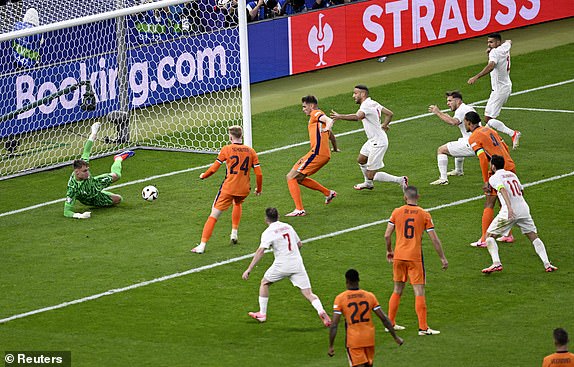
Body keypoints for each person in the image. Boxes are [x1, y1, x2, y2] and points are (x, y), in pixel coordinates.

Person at [242, 207, 332, 326]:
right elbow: (299, 244)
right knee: (309, 293)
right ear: (278, 216)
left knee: (264, 283)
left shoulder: (268, 232)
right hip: (297, 263)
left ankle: (262, 314)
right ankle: (321, 311)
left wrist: (249, 269)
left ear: (266, 219)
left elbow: (261, 251)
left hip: (282, 265)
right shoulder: (288, 227)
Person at [385, 186, 448, 335]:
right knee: (419, 291)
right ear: (418, 196)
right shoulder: (424, 214)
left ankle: (390, 323)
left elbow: (387, 235)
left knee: (397, 290)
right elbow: (434, 239)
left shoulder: (396, 212)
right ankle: (423, 328)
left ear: (405, 197)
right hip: (414, 257)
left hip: (399, 256)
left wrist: (389, 251)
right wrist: (442, 258)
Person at [480, 155, 557, 274]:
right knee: (533, 236)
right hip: (524, 209)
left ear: (493, 166)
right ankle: (547, 264)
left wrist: (510, 208)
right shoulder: (512, 175)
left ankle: (496, 263)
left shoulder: (494, 178)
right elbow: (521, 190)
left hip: (509, 211)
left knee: (489, 237)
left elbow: (502, 189)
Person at [191, 125, 262, 254]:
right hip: (244, 189)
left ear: (230, 137)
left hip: (229, 188)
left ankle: (202, 245)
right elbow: (259, 174)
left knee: (213, 215)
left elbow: (213, 169)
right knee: (238, 203)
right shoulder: (251, 151)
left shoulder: (226, 149)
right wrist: (259, 189)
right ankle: (234, 233)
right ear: (242, 136)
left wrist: (204, 175)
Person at [330, 85, 408, 191]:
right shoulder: (373, 102)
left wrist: (340, 116)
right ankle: (368, 184)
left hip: (378, 143)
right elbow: (389, 114)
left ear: (362, 94)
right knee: (361, 160)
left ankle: (400, 180)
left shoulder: (366, 106)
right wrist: (384, 125)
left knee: (371, 174)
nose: (353, 96)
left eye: (355, 93)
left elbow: (358, 117)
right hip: (373, 140)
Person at [328, 269, 404, 366]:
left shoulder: (340, 298)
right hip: (369, 339)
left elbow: (334, 325)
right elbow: (384, 318)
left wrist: (331, 346)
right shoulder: (369, 296)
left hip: (354, 341)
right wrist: (396, 337)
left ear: (346, 281)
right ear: (359, 280)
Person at [465, 111, 516, 246]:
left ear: (469, 123)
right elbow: (504, 146)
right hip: (509, 165)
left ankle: (483, 239)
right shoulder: (489, 130)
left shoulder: (474, 137)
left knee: (489, 203)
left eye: (465, 122)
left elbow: (482, 158)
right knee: (503, 202)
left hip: (497, 171)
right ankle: (508, 234)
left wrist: (486, 180)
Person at [64, 123, 135, 219]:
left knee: (117, 175)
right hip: (92, 198)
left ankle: (118, 158)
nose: (88, 173)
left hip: (95, 183)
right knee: (118, 199)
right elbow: (66, 211)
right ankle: (104, 194)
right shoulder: (73, 188)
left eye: (88, 170)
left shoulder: (83, 164)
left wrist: (93, 132)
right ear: (77, 172)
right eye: (85, 171)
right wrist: (79, 215)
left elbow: (87, 150)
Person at [285, 95, 337, 217]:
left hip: (317, 153)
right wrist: (334, 147)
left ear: (311, 105)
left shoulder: (316, 113)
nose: (303, 109)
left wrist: (328, 127)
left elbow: (329, 121)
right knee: (298, 178)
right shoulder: (317, 120)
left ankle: (299, 209)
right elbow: (331, 135)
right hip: (321, 154)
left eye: (304, 106)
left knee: (290, 177)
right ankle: (328, 193)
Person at [468, 33, 522, 149]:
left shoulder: (495, 52)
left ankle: (512, 134)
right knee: (488, 119)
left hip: (500, 90)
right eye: (488, 42)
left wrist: (476, 76)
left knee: (489, 119)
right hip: (504, 86)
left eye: (491, 42)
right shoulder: (504, 47)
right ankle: (494, 141)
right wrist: (493, 47)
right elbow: (509, 41)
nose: (489, 44)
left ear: (498, 42)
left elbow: (491, 66)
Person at [428, 91, 477, 185]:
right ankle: (458, 171)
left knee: (441, 150)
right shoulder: (466, 108)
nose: (448, 103)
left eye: (450, 101)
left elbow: (453, 122)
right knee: (460, 141)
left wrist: (438, 112)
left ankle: (443, 179)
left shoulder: (461, 110)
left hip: (472, 143)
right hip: (475, 140)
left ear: (458, 101)